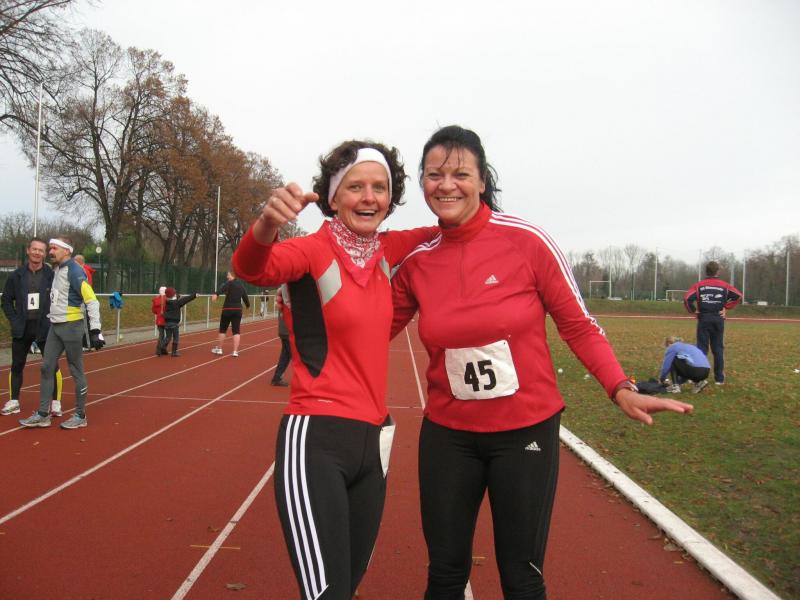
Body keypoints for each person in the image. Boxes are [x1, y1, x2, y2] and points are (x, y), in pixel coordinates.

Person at [390, 125, 694, 600]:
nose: (446, 185)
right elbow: (372, 329)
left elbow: (578, 325)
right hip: (449, 435)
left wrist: (619, 386)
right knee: (445, 573)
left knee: (522, 575)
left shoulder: (527, 241)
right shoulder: (417, 261)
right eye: (434, 175)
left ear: (482, 181)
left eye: (460, 174)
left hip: (524, 432)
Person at [232, 139, 438, 600]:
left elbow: (448, 227)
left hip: (374, 442)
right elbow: (251, 268)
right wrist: (267, 223)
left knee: (347, 586)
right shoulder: (309, 251)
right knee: (327, 594)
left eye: (380, 187)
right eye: (355, 186)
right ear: (332, 196)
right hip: (316, 439)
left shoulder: (390, 249)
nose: (369, 197)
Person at [20, 237, 104, 430]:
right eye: (50, 248)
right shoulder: (57, 269)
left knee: (76, 370)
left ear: (67, 251)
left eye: (54, 248)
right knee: (46, 368)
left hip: (72, 327)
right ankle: (43, 414)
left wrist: (95, 330)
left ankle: (80, 415)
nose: (50, 252)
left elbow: (91, 300)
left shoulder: (75, 270)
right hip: (55, 326)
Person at [1, 237, 63, 417]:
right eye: (34, 249)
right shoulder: (16, 276)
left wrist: (55, 320)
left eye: (40, 250)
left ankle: (55, 402)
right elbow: (6, 301)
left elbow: (60, 299)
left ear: (45, 254)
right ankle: (14, 401)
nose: (37, 253)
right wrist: (14, 320)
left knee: (52, 365)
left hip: (45, 327)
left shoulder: (52, 275)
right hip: (22, 327)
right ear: (28, 251)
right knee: (17, 365)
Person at [683, 261, 742, 385]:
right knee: (718, 349)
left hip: (704, 318)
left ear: (706, 271)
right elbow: (738, 295)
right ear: (717, 271)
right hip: (718, 319)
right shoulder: (725, 286)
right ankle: (719, 379)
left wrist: (693, 310)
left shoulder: (699, 285)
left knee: (701, 349)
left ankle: (699, 376)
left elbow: (687, 298)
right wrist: (726, 307)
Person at [210, 271, 250, 357]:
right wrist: (248, 305)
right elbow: (245, 297)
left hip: (227, 309)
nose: (227, 277)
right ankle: (235, 351)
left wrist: (216, 294)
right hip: (237, 310)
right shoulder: (241, 285)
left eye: (228, 275)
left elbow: (221, 289)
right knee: (236, 331)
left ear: (232, 275)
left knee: (222, 329)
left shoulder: (229, 283)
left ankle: (219, 349)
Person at [161, 287, 197, 357]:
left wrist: (177, 296)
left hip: (167, 322)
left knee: (168, 337)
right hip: (174, 323)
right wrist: (194, 295)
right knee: (176, 337)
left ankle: (162, 346)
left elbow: (173, 298)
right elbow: (186, 299)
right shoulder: (177, 302)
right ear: (173, 295)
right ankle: (174, 352)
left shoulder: (166, 302)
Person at [270, 284, 291, 386]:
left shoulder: (282, 292)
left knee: (286, 354)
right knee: (295, 355)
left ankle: (277, 377)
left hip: (284, 329)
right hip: (287, 329)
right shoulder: (287, 293)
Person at [151, 286, 167, 355]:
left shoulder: (156, 299)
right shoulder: (168, 299)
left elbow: (153, 310)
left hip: (159, 319)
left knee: (161, 335)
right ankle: (163, 348)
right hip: (167, 319)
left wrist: (158, 312)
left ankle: (159, 349)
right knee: (168, 336)